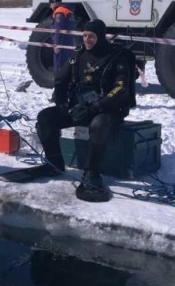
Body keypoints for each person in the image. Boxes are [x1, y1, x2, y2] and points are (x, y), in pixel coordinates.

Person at [35, 19, 136, 201]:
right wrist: (62, 103)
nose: (87, 40)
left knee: (98, 124)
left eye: (91, 36)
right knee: (45, 117)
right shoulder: (79, 54)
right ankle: (54, 163)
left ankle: (92, 173)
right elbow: (60, 80)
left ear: (100, 36)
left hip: (108, 110)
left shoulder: (117, 56)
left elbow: (121, 89)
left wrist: (95, 107)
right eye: (84, 36)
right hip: (81, 108)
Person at [49, 0, 76, 73]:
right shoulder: (68, 10)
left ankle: (59, 84)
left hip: (62, 45)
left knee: (59, 67)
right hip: (69, 42)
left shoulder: (59, 12)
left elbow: (58, 30)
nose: (50, 7)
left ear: (52, 3)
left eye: (50, 5)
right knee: (67, 67)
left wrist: (57, 45)